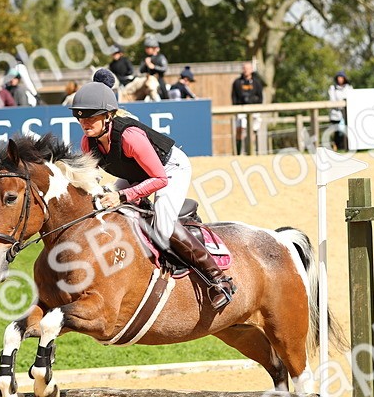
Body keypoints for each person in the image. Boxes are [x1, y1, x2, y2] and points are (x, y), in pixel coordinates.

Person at [70, 82, 236, 310]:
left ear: (108, 116)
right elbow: (89, 179)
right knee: (103, 204)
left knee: (164, 226)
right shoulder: (87, 142)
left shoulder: (129, 136)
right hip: (135, 173)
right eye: (80, 117)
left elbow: (159, 179)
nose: (84, 122)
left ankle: (218, 280)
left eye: (90, 117)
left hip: (169, 169)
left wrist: (123, 196)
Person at [231, 61, 264, 155]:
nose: (246, 70)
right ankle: (238, 152)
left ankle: (251, 151)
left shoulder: (257, 82)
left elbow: (260, 97)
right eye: (244, 68)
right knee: (240, 129)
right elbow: (234, 97)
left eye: (248, 68)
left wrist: (253, 101)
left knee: (253, 131)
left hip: (254, 110)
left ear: (251, 69)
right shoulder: (237, 82)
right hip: (241, 110)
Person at [328, 72, 351, 151]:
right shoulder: (333, 88)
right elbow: (332, 100)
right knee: (337, 131)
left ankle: (345, 146)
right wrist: (340, 105)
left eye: (341, 77)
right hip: (336, 113)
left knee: (347, 130)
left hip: (347, 113)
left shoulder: (348, 87)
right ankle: (337, 146)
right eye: (338, 77)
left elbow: (351, 97)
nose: (340, 79)